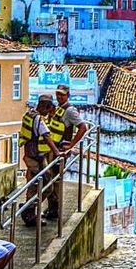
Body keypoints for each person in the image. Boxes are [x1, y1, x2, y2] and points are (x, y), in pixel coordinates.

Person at [45, 84, 88, 220]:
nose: (59, 96)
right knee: (50, 178)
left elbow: (83, 127)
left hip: (60, 150)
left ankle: (55, 210)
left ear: (67, 95)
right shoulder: (58, 109)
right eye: (58, 94)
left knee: (55, 179)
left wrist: (71, 145)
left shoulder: (70, 111)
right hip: (54, 149)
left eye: (62, 94)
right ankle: (52, 208)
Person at [18, 94, 60, 227]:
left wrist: (51, 115)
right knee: (47, 186)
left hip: (33, 156)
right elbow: (46, 136)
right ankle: (28, 209)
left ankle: (29, 212)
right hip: (36, 157)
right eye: (48, 109)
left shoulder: (29, 114)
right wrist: (57, 152)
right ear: (44, 106)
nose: (48, 112)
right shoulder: (38, 119)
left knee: (34, 185)